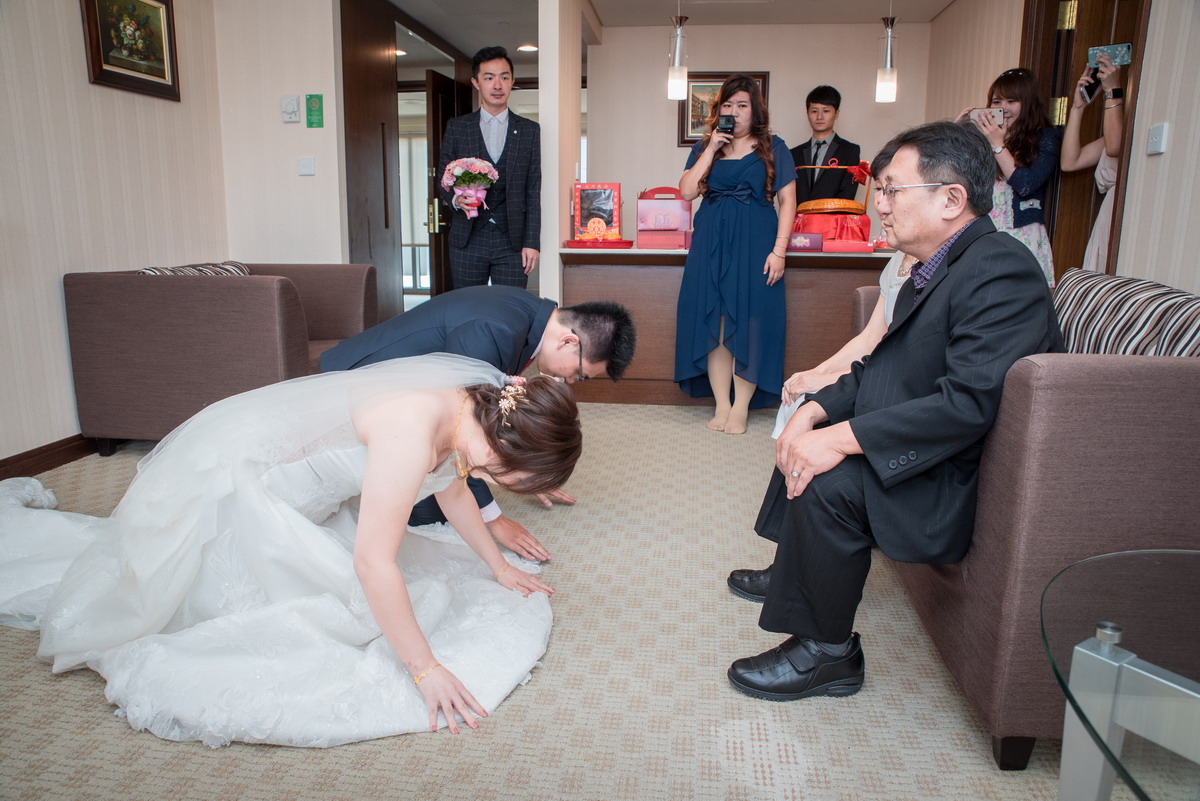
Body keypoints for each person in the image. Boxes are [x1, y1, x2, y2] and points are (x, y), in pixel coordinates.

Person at [0, 355, 582, 746]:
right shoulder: (413, 429)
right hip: (253, 497)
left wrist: (498, 567)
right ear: (509, 447)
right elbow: (372, 562)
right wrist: (425, 670)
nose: (510, 486)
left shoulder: (468, 415)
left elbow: (451, 488)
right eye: (519, 479)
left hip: (314, 502)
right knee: (309, 616)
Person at [725, 121, 1062, 701]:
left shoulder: (999, 270)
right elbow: (878, 368)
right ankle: (797, 571)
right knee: (808, 430)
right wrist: (816, 410)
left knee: (828, 476)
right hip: (927, 441)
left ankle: (829, 653)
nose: (878, 204)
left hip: (950, 471)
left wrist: (838, 438)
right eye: (878, 190)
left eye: (891, 191)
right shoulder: (936, 267)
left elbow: (965, 405)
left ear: (951, 199)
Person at [321, 285, 635, 562]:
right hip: (355, 388)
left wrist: (530, 464)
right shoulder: (494, 330)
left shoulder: (526, 315)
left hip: (402, 400)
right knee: (430, 514)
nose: (572, 381)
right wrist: (495, 520)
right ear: (569, 341)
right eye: (580, 374)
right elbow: (463, 431)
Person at [674, 73, 797, 435]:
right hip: (710, 241)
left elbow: (788, 201)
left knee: (752, 321)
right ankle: (722, 404)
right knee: (715, 322)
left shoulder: (774, 146)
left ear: (754, 110)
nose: (735, 111)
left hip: (757, 242)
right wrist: (712, 148)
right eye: (728, 105)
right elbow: (686, 192)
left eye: (742, 105)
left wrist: (779, 251)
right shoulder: (705, 146)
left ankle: (741, 406)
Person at [438, 46, 541, 289]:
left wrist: (532, 242)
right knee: (469, 307)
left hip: (512, 241)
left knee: (510, 308)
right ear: (476, 82)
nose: (497, 85)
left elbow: (533, 189)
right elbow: (443, 178)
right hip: (468, 239)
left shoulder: (529, 130)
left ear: (512, 81)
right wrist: (456, 200)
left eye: (504, 77)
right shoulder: (458, 128)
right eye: (489, 78)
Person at [958, 68, 1062, 285]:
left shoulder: (1045, 138)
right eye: (997, 101)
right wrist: (957, 131)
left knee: (1021, 295)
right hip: (984, 230)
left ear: (1028, 103)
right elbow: (952, 173)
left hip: (1021, 233)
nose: (1003, 108)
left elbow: (1025, 184)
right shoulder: (981, 139)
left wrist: (997, 144)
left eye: (1012, 101)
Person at [779, 251, 916, 406]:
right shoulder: (898, 258)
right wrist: (817, 372)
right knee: (797, 397)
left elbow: (904, 360)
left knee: (805, 402)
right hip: (876, 370)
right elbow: (871, 337)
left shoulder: (933, 273)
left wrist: (828, 379)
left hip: (899, 385)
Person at [1060, 53, 1125, 273]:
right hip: (1107, 217)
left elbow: (1115, 147)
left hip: (1121, 218)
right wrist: (1078, 108)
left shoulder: (1125, 134)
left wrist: (1112, 91)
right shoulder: (1112, 136)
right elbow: (1070, 162)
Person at [789, 85, 862, 206]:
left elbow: (848, 194)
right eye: (814, 111)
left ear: (837, 113)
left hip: (833, 217)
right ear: (807, 113)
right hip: (799, 217)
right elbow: (788, 195)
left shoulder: (850, 151)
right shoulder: (793, 154)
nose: (819, 117)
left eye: (826, 111)